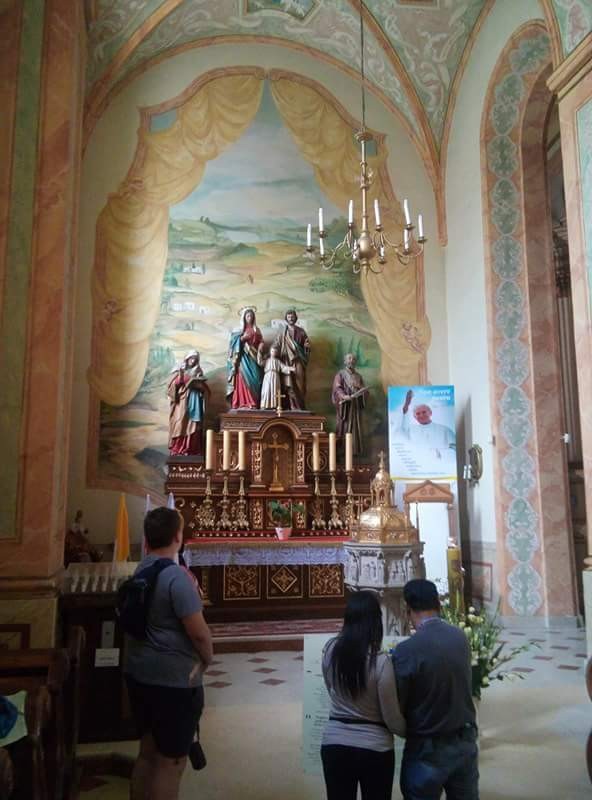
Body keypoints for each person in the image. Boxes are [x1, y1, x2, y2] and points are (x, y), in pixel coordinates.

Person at [124, 507, 213, 800]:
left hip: (138, 673)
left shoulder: (140, 570)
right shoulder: (177, 577)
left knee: (147, 752)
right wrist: (207, 658)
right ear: (178, 536)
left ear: (147, 540)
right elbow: (198, 633)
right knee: (171, 762)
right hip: (172, 681)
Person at [392, 579, 478, 800]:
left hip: (426, 748)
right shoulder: (460, 638)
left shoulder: (406, 651)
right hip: (464, 740)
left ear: (407, 610)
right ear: (438, 604)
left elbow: (399, 701)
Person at [321, 591, 406, 800]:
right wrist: (412, 732)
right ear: (376, 623)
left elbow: (330, 687)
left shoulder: (330, 649)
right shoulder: (381, 662)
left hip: (334, 743)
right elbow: (391, 718)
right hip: (374, 748)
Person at [167, 351, 210, 455]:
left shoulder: (198, 371)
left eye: (195, 359)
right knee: (180, 423)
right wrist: (181, 379)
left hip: (195, 402)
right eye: (191, 358)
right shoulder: (179, 371)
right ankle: (178, 449)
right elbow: (171, 388)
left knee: (194, 425)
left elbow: (205, 390)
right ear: (187, 359)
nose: (193, 361)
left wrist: (199, 386)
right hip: (181, 403)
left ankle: (191, 449)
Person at [393, 389, 456, 458]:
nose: (421, 415)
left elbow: (454, 449)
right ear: (415, 417)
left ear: (430, 413)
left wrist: (438, 452)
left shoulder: (445, 430)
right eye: (418, 414)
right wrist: (406, 404)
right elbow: (399, 429)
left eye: (424, 412)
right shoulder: (411, 430)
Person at [331, 352, 369, 456]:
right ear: (345, 361)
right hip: (345, 407)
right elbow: (337, 389)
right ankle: (342, 451)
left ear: (355, 362)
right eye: (349, 358)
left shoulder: (358, 376)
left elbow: (365, 392)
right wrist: (344, 396)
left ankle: (354, 451)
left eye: (353, 359)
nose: (351, 361)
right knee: (345, 426)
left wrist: (361, 389)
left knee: (355, 427)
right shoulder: (340, 374)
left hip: (355, 406)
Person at [272, 309, 310, 410]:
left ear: (296, 318)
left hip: (298, 360)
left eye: (292, 316)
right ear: (286, 319)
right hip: (286, 361)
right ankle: (290, 406)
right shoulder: (283, 332)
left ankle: (300, 405)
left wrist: (306, 347)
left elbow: (306, 347)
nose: (291, 318)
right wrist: (273, 350)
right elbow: (276, 344)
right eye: (289, 317)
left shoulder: (301, 332)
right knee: (288, 384)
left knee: (300, 383)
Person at [226, 307, 264, 409]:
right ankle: (243, 402)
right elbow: (232, 344)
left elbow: (261, 341)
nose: (249, 318)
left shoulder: (257, 330)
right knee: (242, 378)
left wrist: (260, 348)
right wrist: (242, 338)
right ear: (244, 317)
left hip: (254, 357)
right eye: (247, 316)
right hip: (242, 358)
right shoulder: (239, 330)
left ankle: (254, 402)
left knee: (256, 378)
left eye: (251, 316)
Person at [258, 345, 295, 409]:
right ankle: (265, 405)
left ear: (276, 353)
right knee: (266, 390)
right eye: (272, 351)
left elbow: (283, 368)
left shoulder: (278, 361)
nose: (274, 352)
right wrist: (259, 352)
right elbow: (260, 362)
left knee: (275, 390)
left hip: (276, 377)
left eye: (275, 351)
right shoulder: (267, 360)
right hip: (267, 376)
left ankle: (274, 405)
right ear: (270, 352)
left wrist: (291, 368)